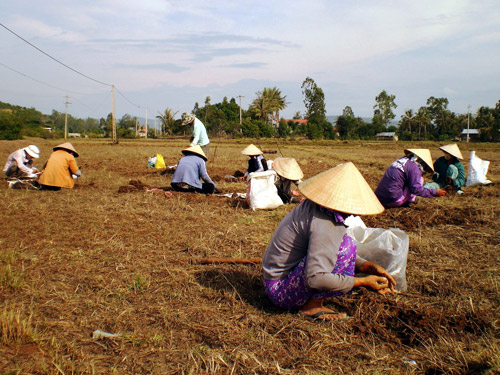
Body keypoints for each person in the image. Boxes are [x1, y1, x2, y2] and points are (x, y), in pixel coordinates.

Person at [262, 162, 396, 321]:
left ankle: (314, 300)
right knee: (346, 246)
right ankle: (313, 306)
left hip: (275, 281)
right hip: (282, 291)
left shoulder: (317, 208)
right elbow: (316, 278)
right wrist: (362, 281)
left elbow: (328, 248)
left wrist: (367, 266)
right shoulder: (325, 223)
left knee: (346, 245)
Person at [375, 149, 446, 208]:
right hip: (393, 200)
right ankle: (411, 200)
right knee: (420, 180)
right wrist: (435, 192)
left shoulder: (400, 160)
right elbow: (416, 189)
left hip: (379, 198)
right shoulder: (414, 167)